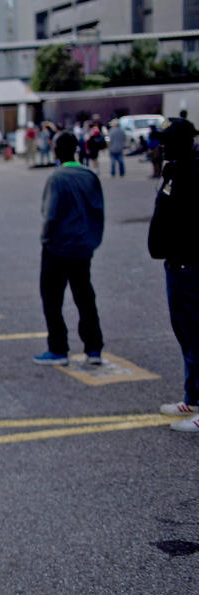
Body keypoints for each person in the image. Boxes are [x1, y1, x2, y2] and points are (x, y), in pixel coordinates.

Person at [33, 132, 104, 366]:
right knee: (84, 296)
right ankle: (93, 348)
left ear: (56, 151)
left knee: (52, 298)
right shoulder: (89, 176)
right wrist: (93, 240)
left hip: (58, 247)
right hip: (83, 246)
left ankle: (58, 348)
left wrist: (46, 239)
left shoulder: (57, 179)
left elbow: (50, 215)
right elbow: (98, 211)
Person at [148, 118, 199, 431]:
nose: (161, 145)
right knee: (185, 333)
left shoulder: (192, 174)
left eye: (167, 140)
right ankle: (192, 397)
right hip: (177, 265)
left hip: (190, 265)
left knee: (196, 334)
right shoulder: (176, 172)